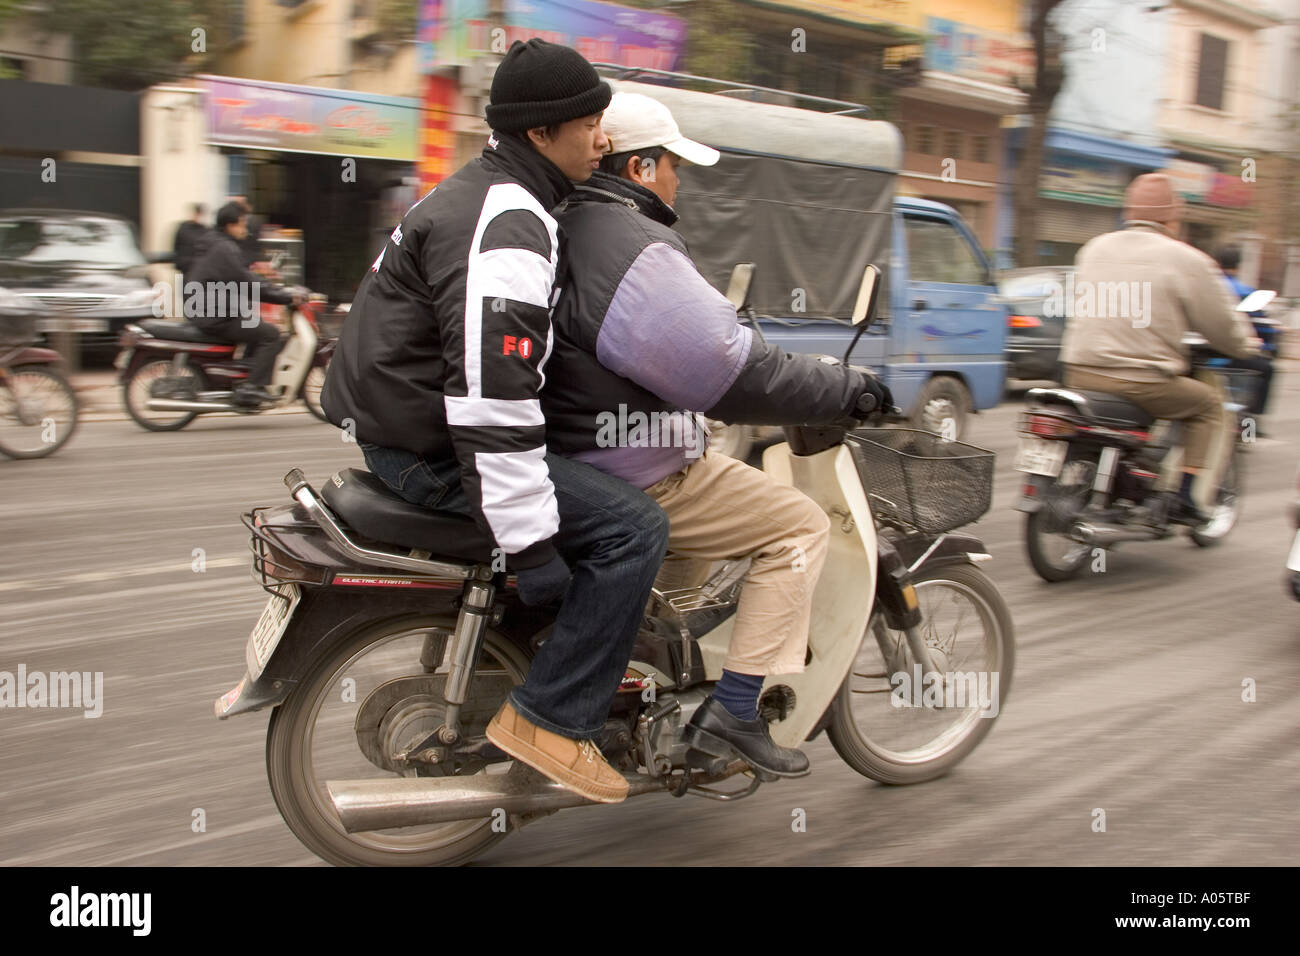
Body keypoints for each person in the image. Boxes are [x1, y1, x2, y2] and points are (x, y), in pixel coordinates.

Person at [321, 39, 670, 805]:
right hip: (428, 448)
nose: (603, 140)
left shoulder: (483, 190)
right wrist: (531, 542)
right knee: (634, 528)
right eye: (590, 124)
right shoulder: (512, 220)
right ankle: (550, 719)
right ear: (542, 133)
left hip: (395, 424)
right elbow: (492, 396)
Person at [543, 92, 890, 778]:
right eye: (674, 166)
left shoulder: (561, 223)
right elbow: (728, 367)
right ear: (641, 168)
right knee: (797, 527)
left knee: (686, 577)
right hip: (634, 468)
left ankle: (646, 682)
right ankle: (731, 716)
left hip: (577, 450)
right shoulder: (632, 244)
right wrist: (844, 388)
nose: (680, 181)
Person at [1059, 173, 1259, 524]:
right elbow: (1222, 326)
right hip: (1141, 381)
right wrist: (1247, 347)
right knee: (1209, 405)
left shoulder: (1093, 248)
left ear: (1128, 211)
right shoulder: (1186, 259)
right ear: (1173, 217)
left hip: (1078, 372)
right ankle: (1187, 497)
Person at [187, 201, 298, 407]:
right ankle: (252, 388)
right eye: (242, 224)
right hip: (215, 315)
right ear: (230, 225)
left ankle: (244, 379)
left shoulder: (213, 242)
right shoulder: (224, 248)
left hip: (209, 309)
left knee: (255, 324)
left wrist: (272, 287)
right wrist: (285, 297)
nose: (245, 229)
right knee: (271, 335)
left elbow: (244, 277)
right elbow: (247, 282)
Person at [1212, 244, 1275, 433]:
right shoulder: (1245, 291)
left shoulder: (1205, 286)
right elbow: (1262, 327)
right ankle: (1252, 425)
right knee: (1267, 369)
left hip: (1200, 355)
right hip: (1234, 355)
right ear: (1238, 265)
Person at [172, 204, 209, 278]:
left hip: (198, 267)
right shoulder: (183, 228)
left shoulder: (204, 230)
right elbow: (176, 246)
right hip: (185, 267)